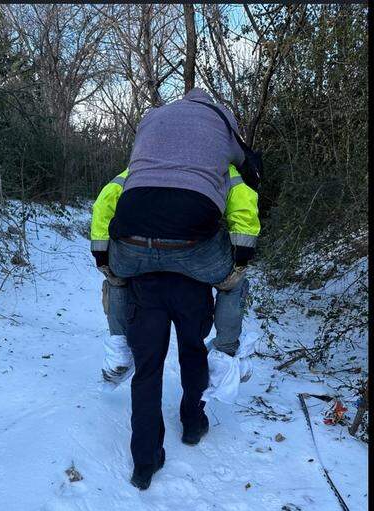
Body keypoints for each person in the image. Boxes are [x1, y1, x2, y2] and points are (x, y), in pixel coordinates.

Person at [90, 88, 260, 387]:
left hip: (131, 244)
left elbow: (105, 200)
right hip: (193, 247)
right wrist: (240, 259)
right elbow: (244, 202)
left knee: (116, 278)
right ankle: (224, 356)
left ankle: (118, 350)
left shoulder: (139, 166)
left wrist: (103, 257)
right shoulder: (223, 154)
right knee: (233, 286)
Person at [122, 271, 216, 489]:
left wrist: (108, 262)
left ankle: (145, 462)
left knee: (147, 371)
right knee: (194, 355)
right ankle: (193, 424)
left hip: (145, 276)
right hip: (194, 277)